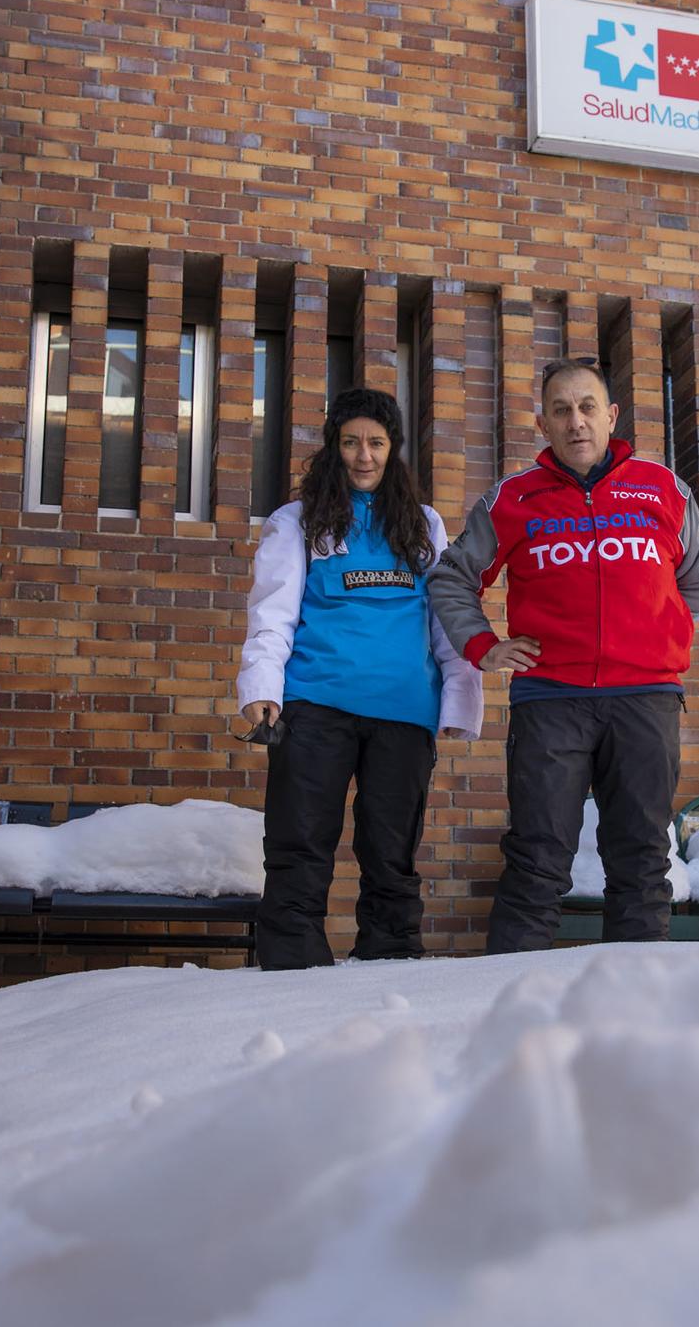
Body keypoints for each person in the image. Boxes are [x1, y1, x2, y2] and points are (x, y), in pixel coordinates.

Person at [429, 357, 699, 952]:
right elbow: (452, 578)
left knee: (641, 856)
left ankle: (636, 1006)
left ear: (611, 416)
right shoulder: (512, 499)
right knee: (538, 855)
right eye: (561, 410)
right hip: (552, 699)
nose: (576, 421)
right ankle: (510, 1003)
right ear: (543, 422)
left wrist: (657, 633)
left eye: (588, 407)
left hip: (645, 698)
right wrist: (483, 646)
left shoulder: (663, 488)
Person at [236, 387, 483, 969]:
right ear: (333, 447)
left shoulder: (422, 525)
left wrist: (458, 704)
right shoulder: (297, 521)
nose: (363, 456)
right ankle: (292, 965)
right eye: (350, 442)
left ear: (393, 448)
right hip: (315, 706)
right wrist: (262, 690)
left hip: (403, 712)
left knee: (391, 851)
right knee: (300, 844)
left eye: (375, 442)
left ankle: (390, 961)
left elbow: (446, 620)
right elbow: (272, 614)